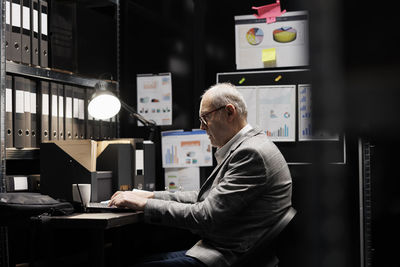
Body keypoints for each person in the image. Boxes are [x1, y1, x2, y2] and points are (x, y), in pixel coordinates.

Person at [109, 82, 293, 267]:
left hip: (228, 257)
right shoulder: (249, 146)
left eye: (205, 118)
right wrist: (151, 195)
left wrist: (145, 204)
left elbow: (205, 216)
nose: (202, 127)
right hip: (225, 250)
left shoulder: (251, 154)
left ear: (229, 112)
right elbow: (203, 198)